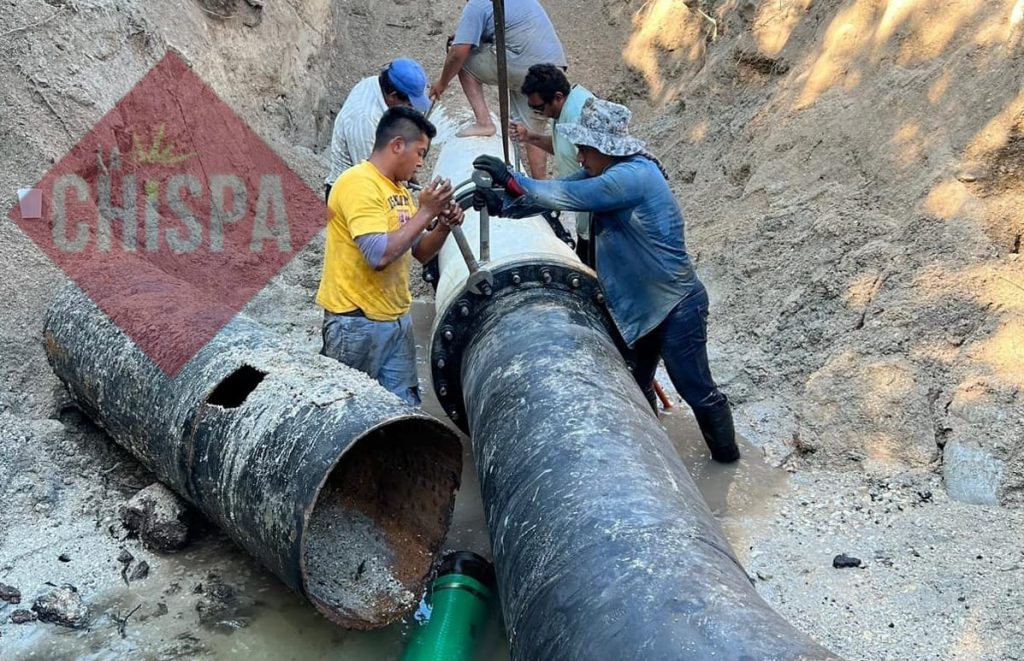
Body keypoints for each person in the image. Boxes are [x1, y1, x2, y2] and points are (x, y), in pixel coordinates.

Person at [472, 98, 740, 462]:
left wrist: (512, 179)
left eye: (584, 149)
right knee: (634, 382)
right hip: (637, 308)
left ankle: (727, 460)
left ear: (604, 148)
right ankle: (655, 461)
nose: (580, 158)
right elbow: (554, 194)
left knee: (696, 390)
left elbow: (569, 196)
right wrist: (503, 202)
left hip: (675, 306)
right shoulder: (602, 172)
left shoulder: (632, 177)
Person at [317, 107, 463, 406]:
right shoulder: (359, 183)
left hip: (395, 319)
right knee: (349, 416)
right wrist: (427, 211)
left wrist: (443, 226)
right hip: (355, 324)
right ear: (397, 145)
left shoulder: (398, 190)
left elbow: (419, 251)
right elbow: (379, 255)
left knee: (401, 414)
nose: (421, 163)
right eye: (420, 153)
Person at [428, 0, 566, 179]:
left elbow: (458, 53)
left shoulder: (476, 5)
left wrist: (442, 83)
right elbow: (509, 30)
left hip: (521, 63)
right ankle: (541, 190)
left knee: (464, 60)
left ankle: (484, 122)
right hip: (551, 69)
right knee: (533, 133)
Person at [509, 63, 596, 264]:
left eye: (540, 108)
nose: (540, 114)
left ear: (557, 96)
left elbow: (595, 174)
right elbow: (561, 147)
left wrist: (531, 192)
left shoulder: (579, 116)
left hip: (599, 224)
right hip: (587, 218)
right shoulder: (565, 109)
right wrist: (530, 137)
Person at [324, 59, 432, 202]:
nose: (412, 110)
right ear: (393, 96)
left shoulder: (375, 84)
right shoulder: (365, 119)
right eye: (409, 104)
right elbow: (374, 176)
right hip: (351, 197)